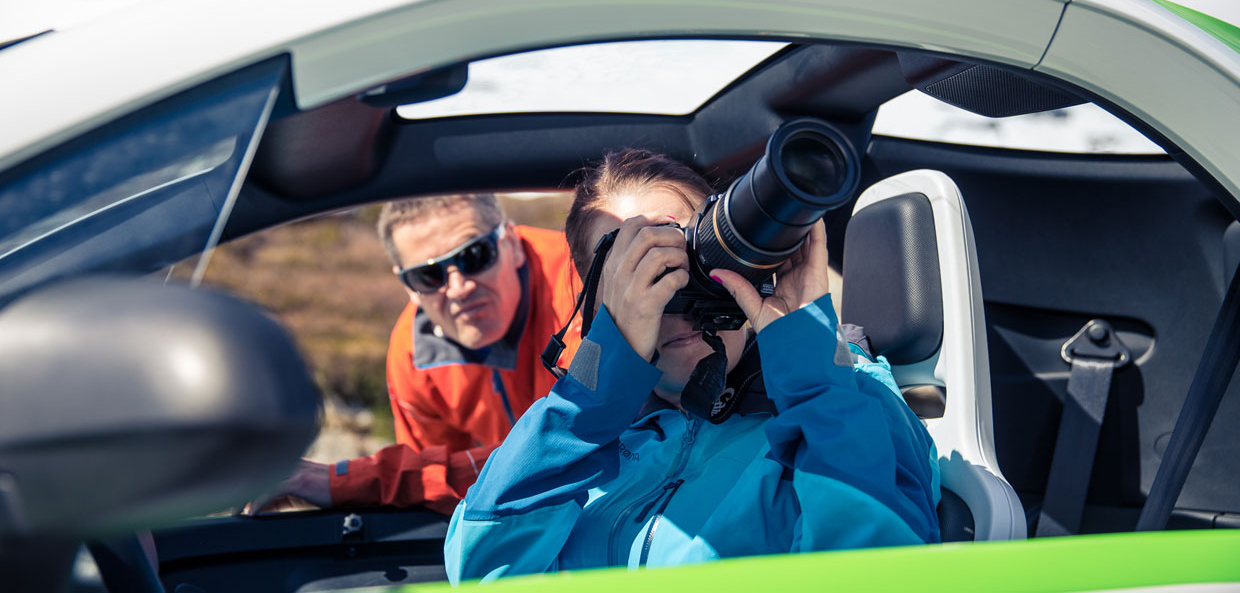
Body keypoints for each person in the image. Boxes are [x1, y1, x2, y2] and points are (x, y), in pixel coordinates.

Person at [443, 149, 941, 581]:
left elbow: (871, 568)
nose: (670, 292)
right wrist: (595, 393)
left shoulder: (848, 404)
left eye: (686, 256)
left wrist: (810, 366)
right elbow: (482, 567)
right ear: (596, 302)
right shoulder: (585, 444)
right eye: (632, 271)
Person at [245, 194, 580, 515]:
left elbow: (569, 448)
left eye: (475, 255)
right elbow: (433, 484)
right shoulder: (413, 353)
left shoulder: (578, 284)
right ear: (408, 288)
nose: (459, 288)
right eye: (428, 275)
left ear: (511, 244)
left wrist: (349, 483)